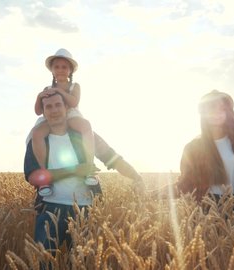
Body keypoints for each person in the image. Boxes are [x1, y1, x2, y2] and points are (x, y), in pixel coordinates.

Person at [24, 92, 145, 254]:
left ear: (67, 107)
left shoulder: (84, 136)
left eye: (58, 105)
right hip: (49, 209)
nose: (54, 110)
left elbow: (113, 158)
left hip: (86, 210)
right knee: (44, 263)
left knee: (85, 262)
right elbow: (33, 177)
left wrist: (136, 176)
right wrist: (75, 170)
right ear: (44, 112)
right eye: (49, 107)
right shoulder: (37, 140)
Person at [156, 90, 234, 210]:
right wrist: (153, 194)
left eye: (222, 108)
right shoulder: (193, 148)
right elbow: (185, 184)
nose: (217, 113)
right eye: (211, 108)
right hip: (207, 207)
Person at [31, 48, 97, 197]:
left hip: (71, 116)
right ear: (52, 70)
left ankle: (89, 168)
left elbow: (73, 102)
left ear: (70, 71)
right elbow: (38, 111)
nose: (60, 70)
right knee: (37, 133)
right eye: (57, 67)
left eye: (64, 67)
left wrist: (60, 92)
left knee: (86, 126)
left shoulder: (75, 86)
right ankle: (44, 176)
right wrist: (39, 96)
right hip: (53, 118)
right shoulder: (47, 89)